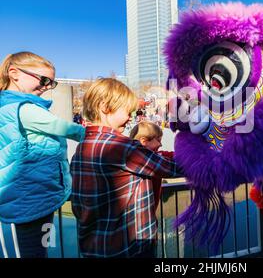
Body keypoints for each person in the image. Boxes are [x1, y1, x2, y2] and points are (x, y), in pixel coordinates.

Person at [70, 78, 182, 258]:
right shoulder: (123, 147)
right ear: (105, 107)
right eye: (127, 111)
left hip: (94, 245)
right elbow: (174, 168)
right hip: (129, 246)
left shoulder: (82, 147)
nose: (131, 117)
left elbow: (79, 203)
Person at [0, 52, 85, 258]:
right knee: (33, 251)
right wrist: (97, 135)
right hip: (29, 198)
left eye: (52, 83)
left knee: (39, 249)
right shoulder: (23, 108)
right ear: (14, 74)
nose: (47, 86)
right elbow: (64, 127)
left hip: (34, 195)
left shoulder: (15, 106)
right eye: (44, 80)